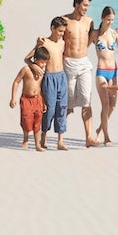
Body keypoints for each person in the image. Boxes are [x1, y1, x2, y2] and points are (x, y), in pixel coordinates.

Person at [61, 0, 100, 146]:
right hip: (68, 64)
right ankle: (60, 138)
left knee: (86, 99)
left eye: (88, 6)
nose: (86, 8)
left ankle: (89, 137)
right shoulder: (64, 20)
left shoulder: (89, 21)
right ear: (76, 4)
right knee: (68, 103)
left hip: (83, 64)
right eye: (84, 5)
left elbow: (94, 36)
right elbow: (56, 39)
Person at [30, 17, 69, 150]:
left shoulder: (62, 43)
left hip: (62, 77)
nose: (61, 34)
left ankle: (60, 141)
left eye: (63, 31)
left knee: (62, 108)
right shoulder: (44, 42)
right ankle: (43, 137)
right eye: (59, 31)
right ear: (52, 28)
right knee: (49, 109)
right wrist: (34, 66)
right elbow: (28, 58)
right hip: (49, 78)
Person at [92, 5, 118, 145]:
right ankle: (106, 137)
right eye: (108, 20)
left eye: (112, 20)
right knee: (105, 105)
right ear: (102, 17)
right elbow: (82, 47)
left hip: (113, 72)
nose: (110, 22)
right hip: (101, 72)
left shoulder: (115, 34)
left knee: (113, 105)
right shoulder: (95, 34)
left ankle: (99, 129)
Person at [10, 47, 48, 151]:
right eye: (42, 63)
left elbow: (40, 88)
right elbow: (16, 82)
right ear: (35, 60)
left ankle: (37, 145)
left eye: (45, 63)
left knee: (38, 122)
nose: (44, 65)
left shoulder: (42, 72)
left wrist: (43, 101)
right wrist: (13, 98)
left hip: (38, 99)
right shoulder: (26, 69)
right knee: (26, 121)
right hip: (26, 99)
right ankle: (26, 138)